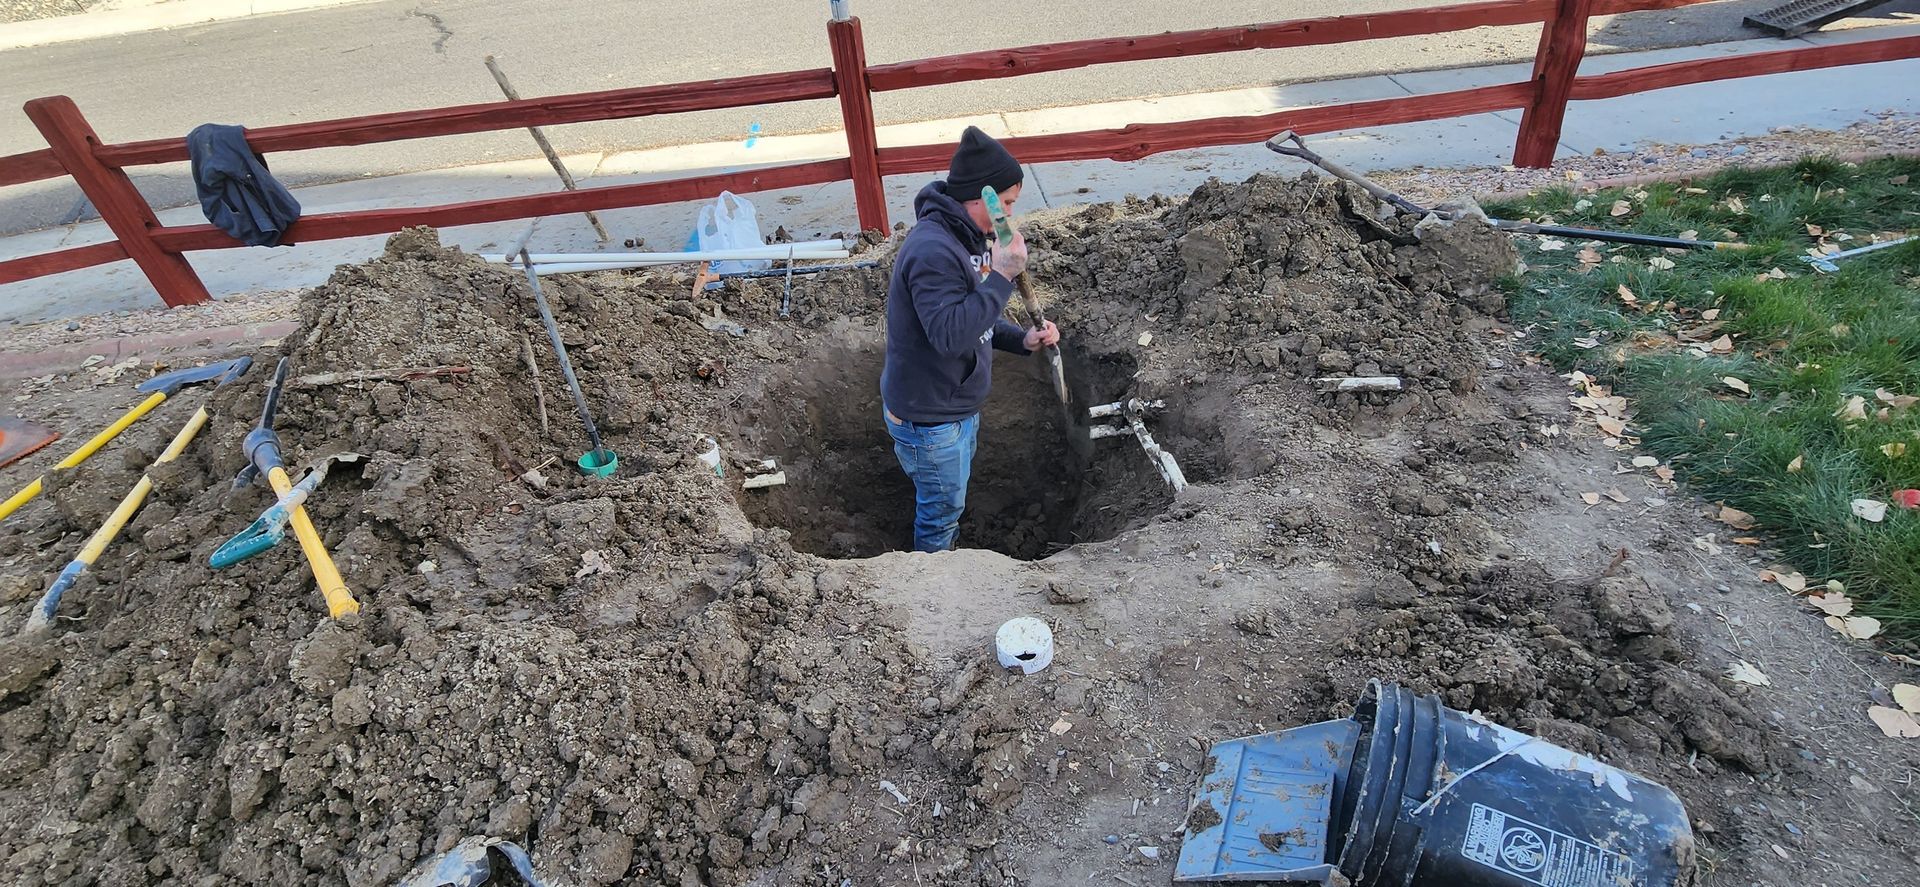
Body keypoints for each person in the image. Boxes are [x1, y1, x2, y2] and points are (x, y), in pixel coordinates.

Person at [880, 126, 1062, 553]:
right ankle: (936, 575)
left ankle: (949, 555)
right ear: (986, 198)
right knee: (940, 514)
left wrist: (1022, 340)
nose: (1010, 216)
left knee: (949, 501)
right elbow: (950, 335)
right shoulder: (933, 251)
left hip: (953, 408)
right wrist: (1002, 275)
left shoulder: (968, 238)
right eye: (1008, 203)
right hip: (930, 421)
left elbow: (975, 315)